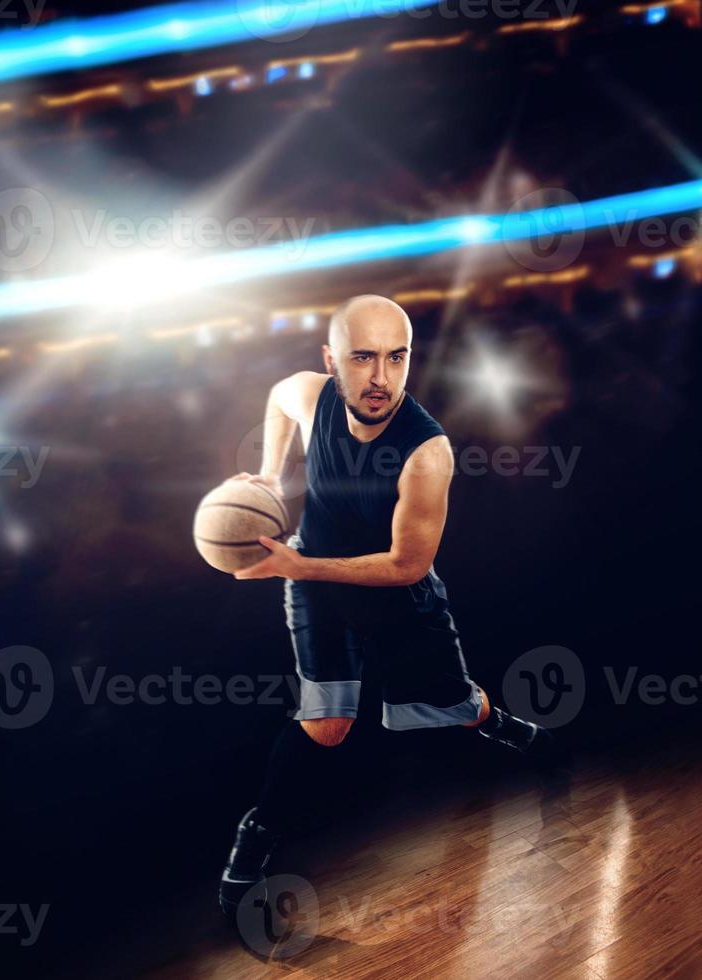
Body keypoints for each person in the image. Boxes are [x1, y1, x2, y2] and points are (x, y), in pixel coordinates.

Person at [219, 294, 555, 917]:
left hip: (396, 595)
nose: (380, 378)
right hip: (318, 584)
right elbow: (277, 397)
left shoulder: (428, 451)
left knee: (453, 704)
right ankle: (253, 844)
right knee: (326, 723)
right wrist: (268, 474)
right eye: (363, 358)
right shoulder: (311, 395)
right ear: (331, 361)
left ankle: (491, 720)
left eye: (395, 358)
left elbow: (407, 565)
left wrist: (298, 565)